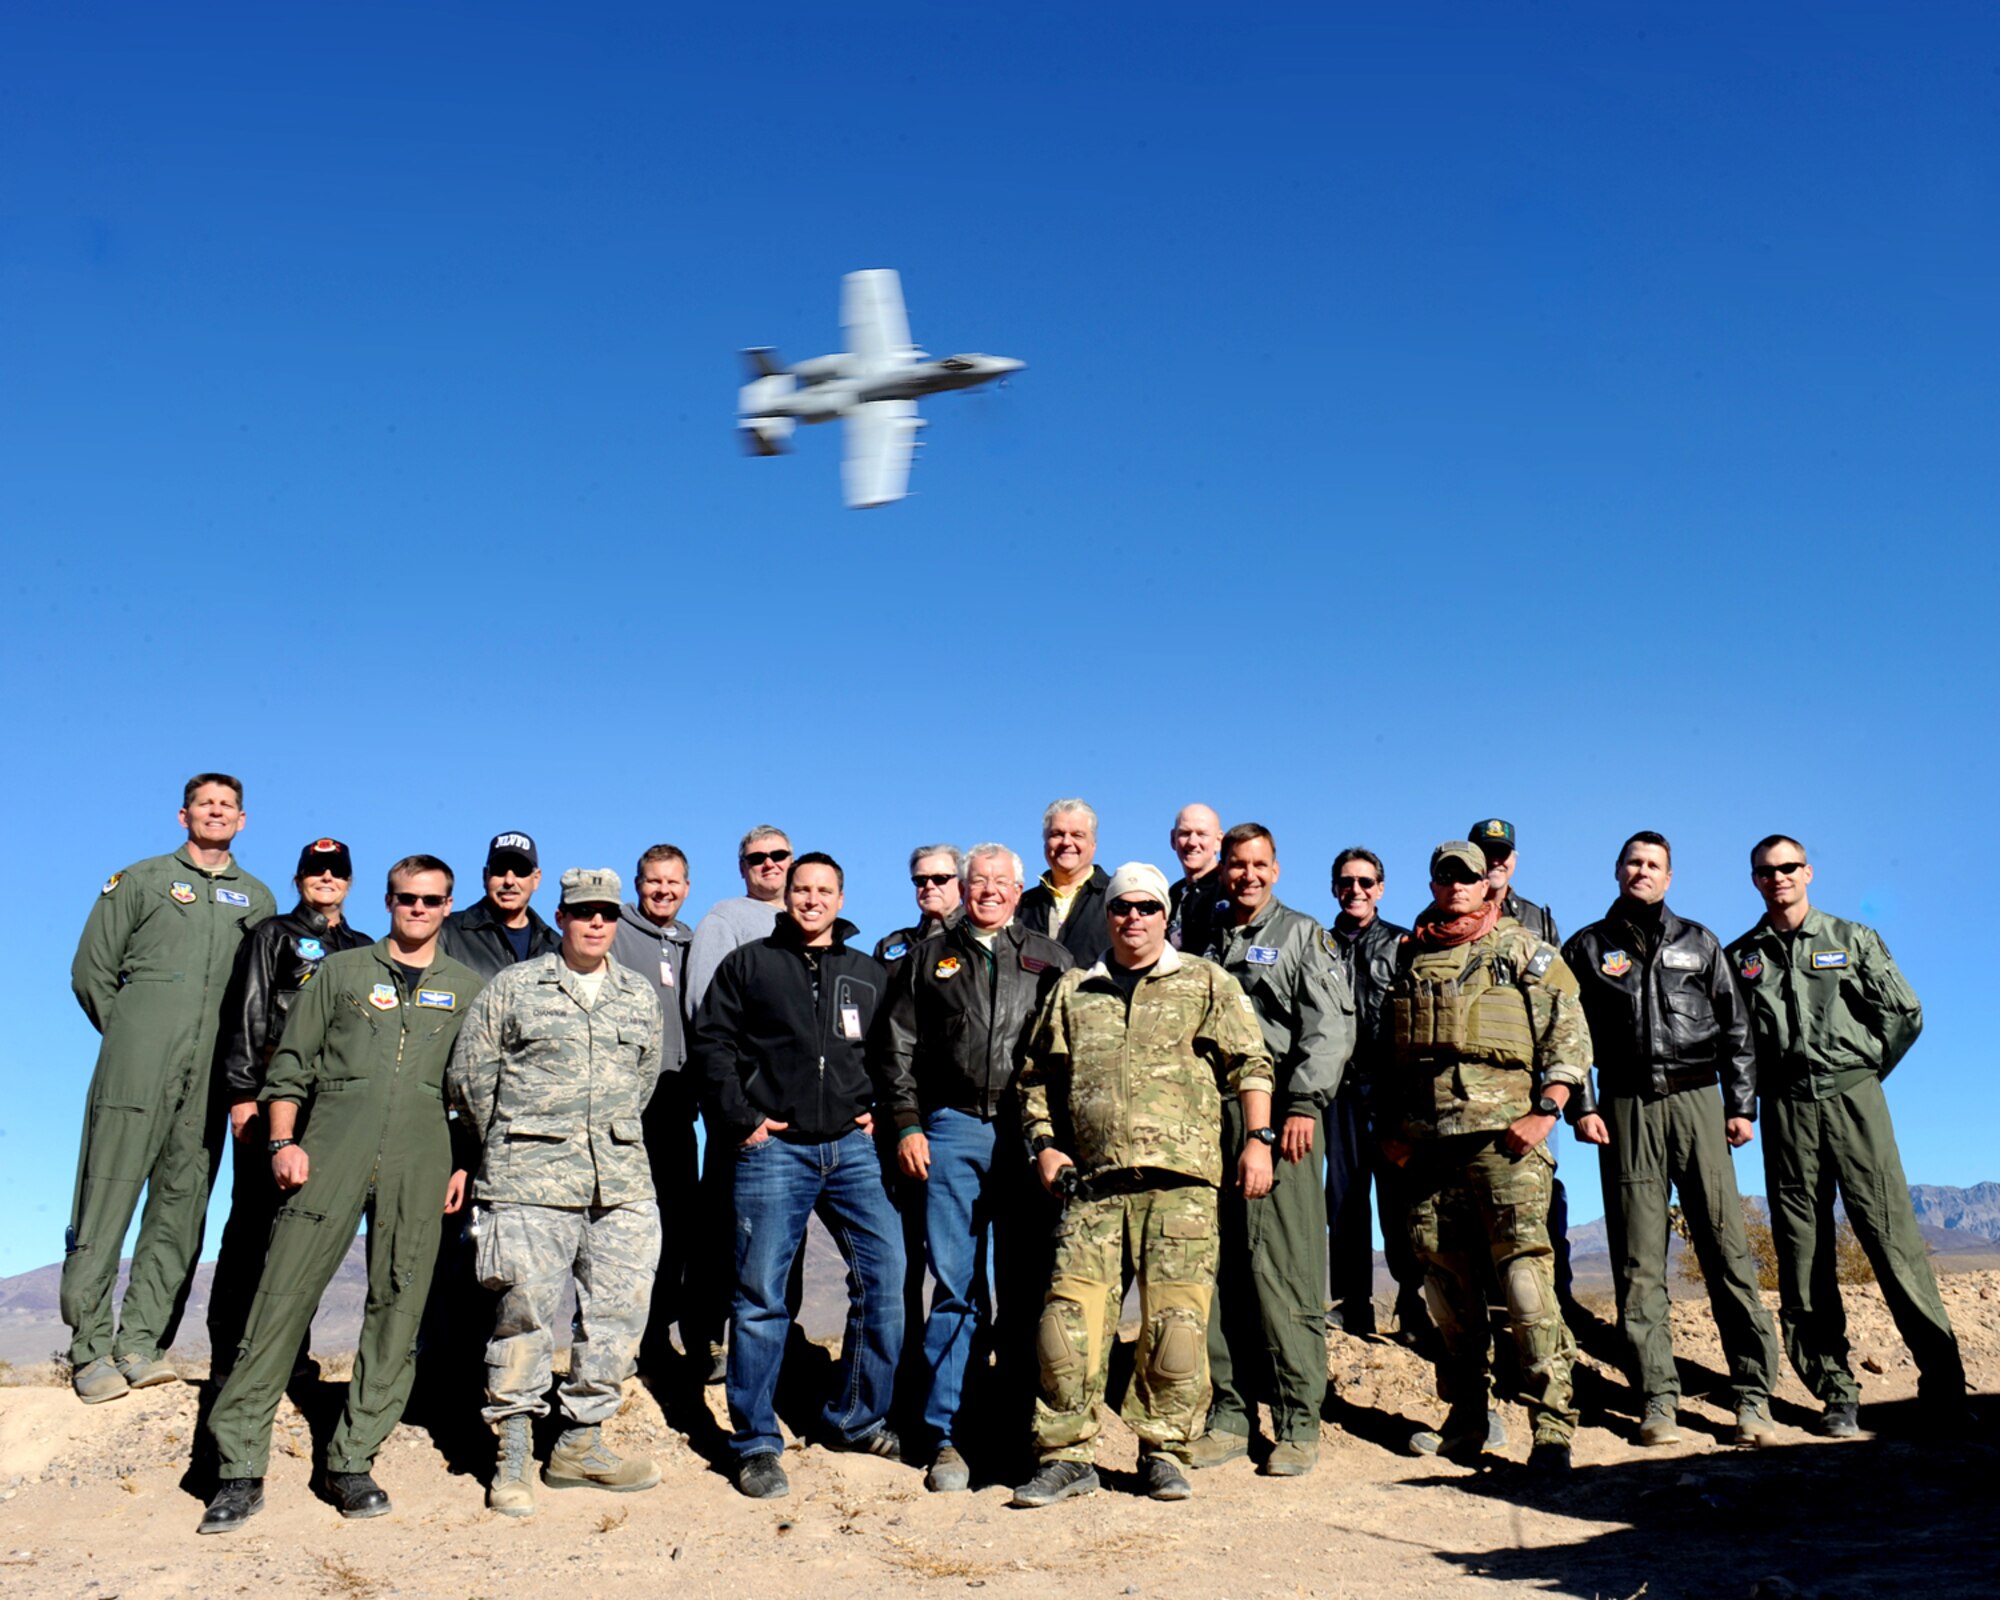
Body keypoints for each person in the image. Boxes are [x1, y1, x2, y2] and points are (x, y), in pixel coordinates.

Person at [198, 855, 480, 1532]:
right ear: (387, 901)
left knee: (398, 1300)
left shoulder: (467, 989)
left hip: (423, 1149)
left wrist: (463, 1162)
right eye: (407, 898)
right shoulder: (342, 973)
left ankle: (352, 1459)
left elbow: (472, 1091)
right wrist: (282, 1142)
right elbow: (290, 1066)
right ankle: (237, 1469)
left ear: (448, 906)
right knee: (280, 1299)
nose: (418, 909)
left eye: (432, 900)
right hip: (331, 1141)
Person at [1011, 863, 1275, 1509]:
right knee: (1064, 1326)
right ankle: (1066, 1455)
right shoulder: (1076, 990)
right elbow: (1034, 1079)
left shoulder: (1204, 981)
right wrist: (1044, 1146)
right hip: (1094, 1186)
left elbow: (1252, 1062)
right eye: (1123, 907)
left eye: (1147, 908)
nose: (1134, 918)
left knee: (1176, 1330)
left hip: (1180, 1186)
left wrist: (1259, 1141)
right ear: (1109, 915)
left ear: (1166, 916)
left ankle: (1163, 1451)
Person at [1726, 835, 1967, 1436]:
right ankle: (1836, 1391)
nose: (1777, 878)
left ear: (1808, 871)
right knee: (1802, 1253)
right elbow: (1737, 1045)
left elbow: (1904, 1011)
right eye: (1765, 871)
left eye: (1787, 868)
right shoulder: (1742, 957)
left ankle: (1943, 1386)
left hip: (1855, 1099)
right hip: (1786, 1110)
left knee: (1892, 1239)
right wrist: (1747, 1105)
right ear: (1754, 880)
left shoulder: (1850, 939)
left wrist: (1861, 1069)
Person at [450, 868, 666, 1516]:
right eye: (582, 912)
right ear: (563, 918)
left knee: (619, 1316)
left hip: (621, 1182)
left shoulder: (638, 996)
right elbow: (471, 1078)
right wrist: (516, 1145)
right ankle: (513, 1452)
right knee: (525, 1314)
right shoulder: (515, 989)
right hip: (529, 1180)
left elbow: (643, 1081)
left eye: (606, 913)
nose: (595, 923)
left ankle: (579, 1444)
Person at [691, 852, 903, 1500]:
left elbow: (893, 1049)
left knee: (886, 1278)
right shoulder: (750, 964)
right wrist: (742, 1118)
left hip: (851, 1149)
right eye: (801, 890)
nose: (811, 900)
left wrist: (879, 1112)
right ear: (785, 896)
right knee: (760, 1297)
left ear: (841, 898)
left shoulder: (867, 973)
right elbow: (712, 1043)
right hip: (774, 1150)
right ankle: (754, 1441)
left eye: (823, 890)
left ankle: (855, 1419)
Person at [1379, 841, 1591, 1474]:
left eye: (1466, 876)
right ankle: (1467, 1419)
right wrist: (1392, 1129)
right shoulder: (1411, 957)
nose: (1455, 886)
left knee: (1526, 1291)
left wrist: (1546, 1110)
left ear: (1487, 884)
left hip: (1506, 1144)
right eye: (1444, 876)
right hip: (1428, 1154)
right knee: (1449, 1297)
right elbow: (1391, 1051)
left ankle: (1552, 1427)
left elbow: (1569, 1033)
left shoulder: (1524, 950)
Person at [1562, 832, 1780, 1447]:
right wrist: (1582, 1105)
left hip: (1698, 1102)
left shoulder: (1700, 942)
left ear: (1670, 875)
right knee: (1638, 1261)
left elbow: (1737, 1029)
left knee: (1726, 1249)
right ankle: (1657, 1398)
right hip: (1626, 1106)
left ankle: (1752, 1397)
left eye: (1653, 864)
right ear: (1617, 870)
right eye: (1633, 862)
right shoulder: (1586, 947)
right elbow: (1566, 1032)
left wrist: (1740, 1106)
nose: (1643, 871)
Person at [64, 774, 276, 1403]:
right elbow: (91, 971)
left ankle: (141, 1343)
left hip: (212, 1075)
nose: (216, 813)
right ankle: (89, 1349)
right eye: (205, 804)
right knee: (106, 1197)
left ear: (242, 820)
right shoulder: (141, 880)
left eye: (227, 806)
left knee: (182, 1211)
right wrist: (134, 1034)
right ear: (183, 815)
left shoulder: (257, 900)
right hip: (137, 1065)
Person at [872, 844, 1073, 1491]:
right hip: (950, 1127)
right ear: (963, 887)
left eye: (1000, 881)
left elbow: (1074, 1050)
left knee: (1025, 1285)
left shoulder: (1051, 960)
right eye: (977, 880)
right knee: (956, 1287)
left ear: (1020, 890)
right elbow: (895, 1045)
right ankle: (948, 1437)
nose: (988, 890)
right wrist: (906, 1122)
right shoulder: (928, 957)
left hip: (1026, 1134)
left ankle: (1019, 1432)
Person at [1192, 825, 1353, 1478]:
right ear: (1223, 870)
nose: (1247, 875)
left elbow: (1330, 1027)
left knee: (1283, 1269)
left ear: (1277, 870)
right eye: (1237, 865)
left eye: (1259, 864)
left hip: (1283, 1112)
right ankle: (1230, 1414)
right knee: (1222, 1271)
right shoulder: (1207, 938)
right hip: (1215, 1115)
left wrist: (1304, 1107)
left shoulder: (1302, 936)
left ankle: (1297, 1421)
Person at [208, 837, 372, 1379]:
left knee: (304, 1232)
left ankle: (287, 1352)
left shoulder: (363, 948)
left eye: (337, 872)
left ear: (349, 881)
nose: (327, 878)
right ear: (299, 878)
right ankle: (232, 1352)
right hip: (273, 1102)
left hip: (333, 1110)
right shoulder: (271, 935)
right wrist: (241, 1095)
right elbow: (248, 1014)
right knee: (253, 1224)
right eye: (316, 870)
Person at [680, 823, 796, 1383]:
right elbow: (705, 1014)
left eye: (779, 856)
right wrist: (727, 1103)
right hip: (742, 1106)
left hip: (798, 1111)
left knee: (782, 1233)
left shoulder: (806, 920)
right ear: (742, 866)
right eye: (758, 858)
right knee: (723, 1222)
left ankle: (777, 1344)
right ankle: (706, 1339)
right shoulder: (724, 921)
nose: (770, 865)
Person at [1466, 816, 1580, 1325]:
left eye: (1502, 853)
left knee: (1541, 1193)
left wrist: (1574, 1101)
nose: (1495, 862)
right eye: (1485, 852)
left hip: (1530, 1087)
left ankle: (1557, 1298)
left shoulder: (1538, 919)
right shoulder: (1445, 913)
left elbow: (1566, 1011)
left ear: (1513, 859)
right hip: (1472, 1092)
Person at [1323, 847, 1424, 1342]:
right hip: (1337, 1086)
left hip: (1389, 1088)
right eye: (1347, 882)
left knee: (1400, 1196)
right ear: (1335, 887)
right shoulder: (1317, 945)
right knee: (1342, 1197)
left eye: (1366, 882)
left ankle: (1413, 1302)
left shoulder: (1404, 944)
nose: (1356, 890)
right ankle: (1353, 1304)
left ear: (1381, 889)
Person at [611, 844, 699, 1375]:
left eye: (672, 882)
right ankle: (610, 1339)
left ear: (687, 887)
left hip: (680, 1101)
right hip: (626, 1100)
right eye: (652, 881)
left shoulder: (694, 943)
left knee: (676, 1221)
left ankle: (658, 1334)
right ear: (637, 884)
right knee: (618, 1224)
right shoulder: (616, 931)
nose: (662, 890)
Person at [439, 832, 559, 980]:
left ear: (536, 879)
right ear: (485, 876)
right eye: (499, 869)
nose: (509, 881)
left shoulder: (556, 947)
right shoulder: (446, 932)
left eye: (520, 870)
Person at [1017, 800, 1113, 967]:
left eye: (1077, 835)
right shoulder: (1021, 905)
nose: (1066, 842)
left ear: (1093, 845)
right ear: (1045, 842)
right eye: (1057, 834)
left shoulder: (1117, 899)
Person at [876, 843, 965, 963]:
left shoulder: (981, 938)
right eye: (921, 880)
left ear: (961, 884)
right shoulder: (889, 946)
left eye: (940, 878)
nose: (929, 886)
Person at [1166, 803, 1228, 956]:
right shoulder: (1172, 896)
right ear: (1173, 840)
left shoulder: (1232, 889)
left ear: (1219, 841)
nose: (1192, 842)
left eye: (1202, 834)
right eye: (1185, 833)